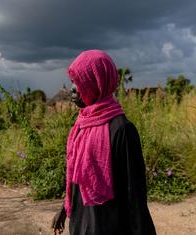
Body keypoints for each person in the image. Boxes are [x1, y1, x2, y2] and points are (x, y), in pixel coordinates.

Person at [52, 50, 156, 235]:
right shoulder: (81, 125)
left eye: (80, 81)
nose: (73, 89)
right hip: (80, 223)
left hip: (110, 226)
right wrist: (64, 208)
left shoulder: (122, 130)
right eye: (72, 82)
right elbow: (77, 177)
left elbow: (134, 194)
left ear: (98, 82)